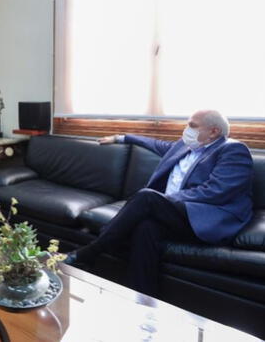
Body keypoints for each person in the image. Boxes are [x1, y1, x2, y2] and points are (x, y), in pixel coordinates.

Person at [64, 110, 253, 297]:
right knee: (146, 227)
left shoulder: (233, 150)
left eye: (192, 125)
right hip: (175, 214)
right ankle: (141, 299)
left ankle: (90, 252)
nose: (186, 129)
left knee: (147, 197)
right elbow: (154, 143)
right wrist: (122, 138)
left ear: (213, 132)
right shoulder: (184, 146)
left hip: (205, 216)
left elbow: (216, 191)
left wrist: (165, 200)